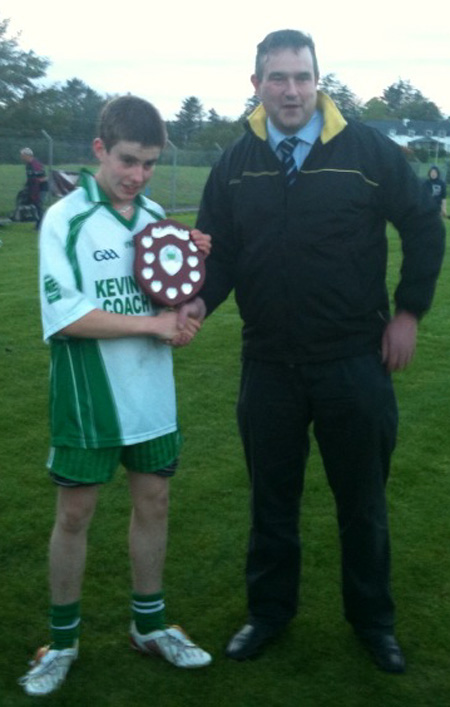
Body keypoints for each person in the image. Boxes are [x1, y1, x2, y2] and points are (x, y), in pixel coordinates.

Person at [178, 29, 445, 673]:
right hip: (268, 362)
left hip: (353, 360)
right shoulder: (236, 161)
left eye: (302, 77)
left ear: (317, 81)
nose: (291, 90)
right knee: (272, 501)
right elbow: (219, 251)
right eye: (278, 78)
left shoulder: (365, 150)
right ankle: (269, 613)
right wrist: (197, 302)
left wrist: (408, 310)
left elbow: (421, 223)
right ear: (257, 85)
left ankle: (373, 622)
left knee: (363, 503)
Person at [19, 95, 212, 698]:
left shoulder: (156, 217)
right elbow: (66, 315)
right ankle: (62, 641)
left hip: (151, 393)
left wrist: (184, 309)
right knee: (74, 515)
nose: (138, 176)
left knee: (154, 504)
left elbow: (168, 296)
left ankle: (149, 627)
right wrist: (154, 325)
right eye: (129, 160)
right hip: (87, 394)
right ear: (100, 149)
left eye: (150, 163)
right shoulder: (65, 219)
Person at [20, 147, 49, 228]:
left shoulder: (36, 164)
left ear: (27, 155)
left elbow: (44, 178)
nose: (21, 157)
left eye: (22, 155)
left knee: (39, 206)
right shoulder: (28, 165)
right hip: (34, 188)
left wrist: (36, 182)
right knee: (36, 206)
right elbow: (30, 178)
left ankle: (42, 225)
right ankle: (39, 224)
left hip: (41, 188)